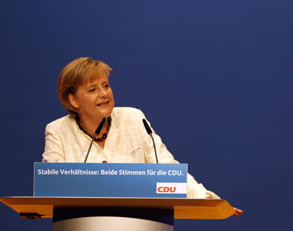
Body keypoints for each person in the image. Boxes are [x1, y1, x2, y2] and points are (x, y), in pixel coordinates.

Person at [43, 57, 243, 216]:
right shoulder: (58, 131)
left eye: (106, 85)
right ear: (73, 100)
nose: (104, 93)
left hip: (139, 228)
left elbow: (166, 167)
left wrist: (206, 200)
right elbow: (49, 187)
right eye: (93, 89)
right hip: (81, 230)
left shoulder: (133, 118)